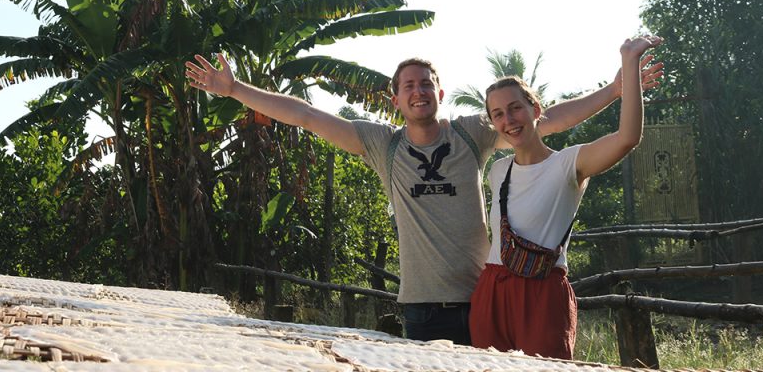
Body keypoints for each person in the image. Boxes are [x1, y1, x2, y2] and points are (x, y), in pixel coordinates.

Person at [185, 51, 662, 344]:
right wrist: (233, 89)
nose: (417, 91)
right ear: (395, 99)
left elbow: (548, 119)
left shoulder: (472, 135)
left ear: (440, 92)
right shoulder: (383, 145)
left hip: (482, 298)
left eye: (425, 83)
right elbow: (305, 114)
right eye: (407, 85)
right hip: (421, 305)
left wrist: (615, 90)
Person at [469, 35, 663, 359]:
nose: (509, 120)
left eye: (516, 108)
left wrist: (628, 65)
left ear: (535, 109)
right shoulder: (497, 171)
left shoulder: (568, 164)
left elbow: (627, 138)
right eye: (499, 114)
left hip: (543, 292)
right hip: (493, 290)